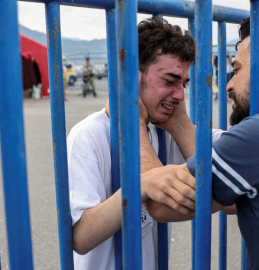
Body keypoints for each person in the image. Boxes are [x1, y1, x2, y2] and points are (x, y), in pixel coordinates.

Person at [67, 17, 209, 270]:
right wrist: (140, 187)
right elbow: (79, 237)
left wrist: (179, 122)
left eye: (184, 84)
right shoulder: (89, 134)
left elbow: (217, 182)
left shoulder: (160, 130)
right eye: (169, 80)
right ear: (131, 75)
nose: (180, 95)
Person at [142, 17, 259, 270]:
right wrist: (180, 123)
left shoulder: (255, 135)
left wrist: (132, 123)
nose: (228, 84)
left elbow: (161, 204)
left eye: (236, 70)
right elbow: (229, 200)